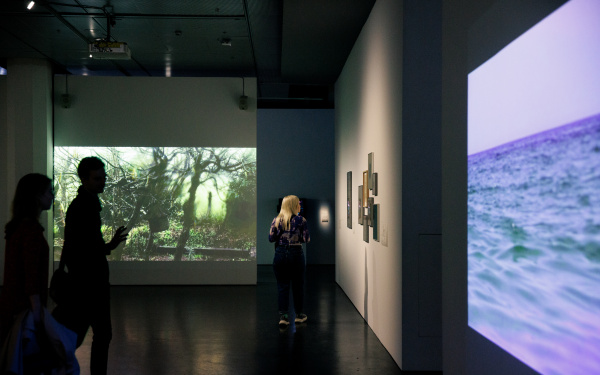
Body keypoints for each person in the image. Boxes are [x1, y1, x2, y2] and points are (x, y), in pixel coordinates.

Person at [53, 156, 127, 375]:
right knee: (100, 334)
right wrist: (108, 246)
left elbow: (79, 244)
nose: (102, 182)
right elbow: (85, 247)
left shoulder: (84, 204)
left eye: (103, 178)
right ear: (84, 179)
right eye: (97, 178)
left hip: (85, 283)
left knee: (85, 334)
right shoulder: (84, 207)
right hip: (90, 284)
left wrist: (106, 246)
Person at [0, 173, 54, 346]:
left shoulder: (18, 227)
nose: (52, 196)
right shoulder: (30, 231)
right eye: (48, 192)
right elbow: (30, 274)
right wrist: (37, 310)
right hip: (23, 309)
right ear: (37, 196)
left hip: (14, 306)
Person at [269, 195, 310, 328]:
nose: (299, 206)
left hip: (280, 254)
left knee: (282, 285)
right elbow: (306, 239)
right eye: (298, 204)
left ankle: (283, 317)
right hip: (296, 254)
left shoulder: (276, 220)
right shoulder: (301, 220)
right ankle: (299, 315)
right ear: (293, 205)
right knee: (298, 285)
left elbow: (271, 238)